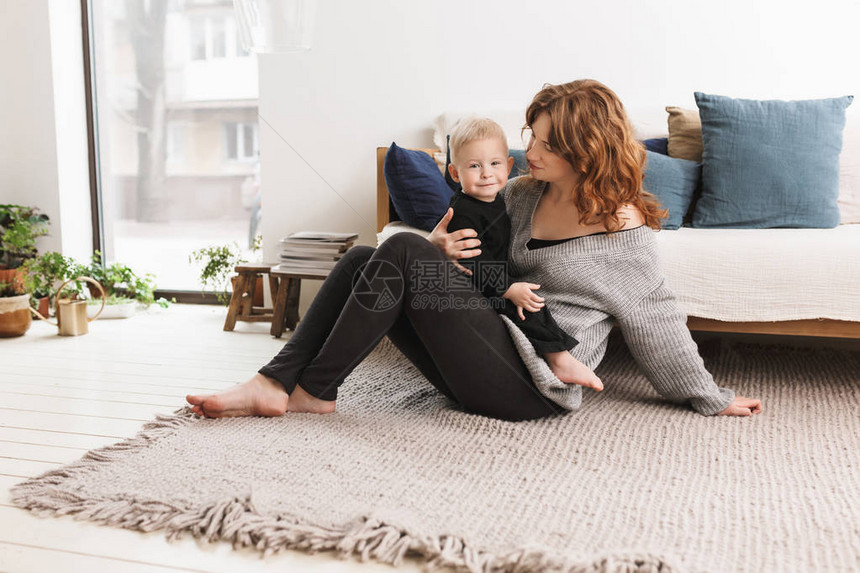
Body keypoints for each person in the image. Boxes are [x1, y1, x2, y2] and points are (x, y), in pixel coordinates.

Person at [187, 79, 762, 421]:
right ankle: (279, 383)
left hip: (531, 384)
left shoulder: (622, 230)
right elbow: (472, 262)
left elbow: (656, 321)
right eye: (529, 134)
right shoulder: (521, 192)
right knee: (369, 256)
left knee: (401, 251)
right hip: (480, 345)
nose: (526, 149)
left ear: (583, 150)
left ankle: (310, 390)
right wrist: (439, 246)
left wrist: (709, 396)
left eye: (542, 142)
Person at [443, 116, 602, 391]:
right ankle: (559, 359)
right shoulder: (464, 212)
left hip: (489, 283)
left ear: (508, 166)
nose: (486, 174)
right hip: (468, 289)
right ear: (455, 174)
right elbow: (471, 260)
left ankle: (555, 354)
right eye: (473, 166)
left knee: (532, 303)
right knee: (527, 306)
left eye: (494, 164)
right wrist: (506, 288)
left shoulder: (498, 200)